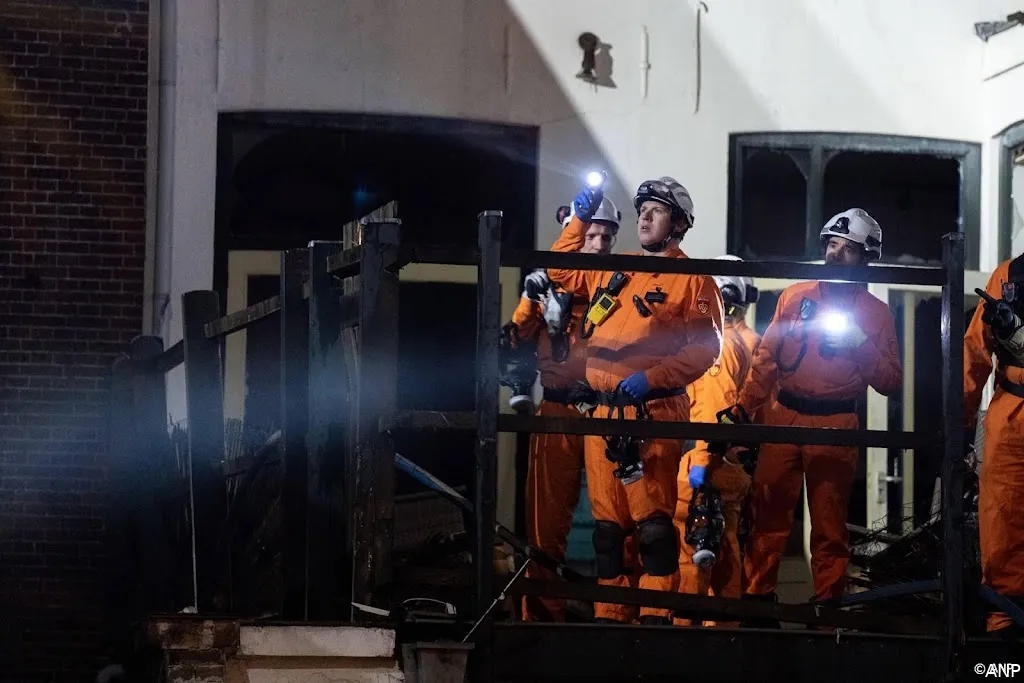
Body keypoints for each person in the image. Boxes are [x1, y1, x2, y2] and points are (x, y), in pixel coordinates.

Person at [546, 176, 724, 624]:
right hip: (604, 411)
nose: (644, 217)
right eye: (642, 209)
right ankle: (610, 616)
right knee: (607, 531)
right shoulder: (617, 268)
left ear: (678, 224)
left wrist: (653, 378)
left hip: (653, 413)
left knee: (654, 528)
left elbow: (706, 349)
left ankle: (655, 618)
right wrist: (579, 218)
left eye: (656, 210)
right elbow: (560, 270)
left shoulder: (694, 280)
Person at [717, 208, 902, 614]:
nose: (835, 253)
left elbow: (891, 382)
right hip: (784, 416)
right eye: (832, 245)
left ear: (866, 256)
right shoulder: (795, 296)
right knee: (767, 514)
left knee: (829, 524)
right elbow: (765, 362)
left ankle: (827, 610)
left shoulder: (876, 313)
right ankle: (758, 603)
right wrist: (742, 410)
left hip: (836, 424)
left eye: (847, 248)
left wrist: (860, 343)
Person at [512, 198, 621, 622]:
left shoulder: (620, 285)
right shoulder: (547, 286)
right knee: (546, 524)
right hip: (557, 411)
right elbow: (515, 337)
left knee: (615, 523)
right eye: (591, 235)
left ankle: (616, 617)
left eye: (606, 237)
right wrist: (530, 299)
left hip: (605, 411)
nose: (599, 244)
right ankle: (542, 621)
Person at [674, 256, 756, 628]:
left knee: (697, 554)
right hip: (732, 463)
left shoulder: (718, 347)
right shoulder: (749, 342)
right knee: (727, 552)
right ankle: (724, 636)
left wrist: (700, 469)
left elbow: (714, 413)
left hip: (706, 467)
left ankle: (689, 641)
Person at [964, 254, 1024, 639]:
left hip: (1011, 411)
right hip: (1012, 412)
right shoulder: (1010, 274)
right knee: (1002, 518)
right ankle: (1005, 622)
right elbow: (975, 350)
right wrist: (959, 425)